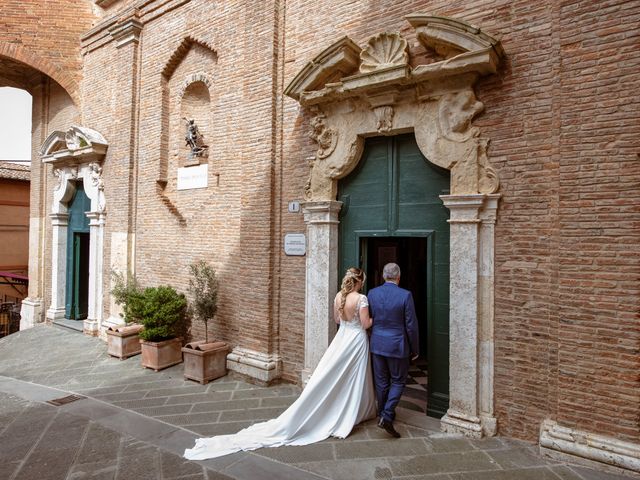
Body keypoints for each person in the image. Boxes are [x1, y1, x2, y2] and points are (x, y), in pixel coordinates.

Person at [184, 267, 376, 460]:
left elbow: (336, 319)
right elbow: (365, 323)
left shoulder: (338, 297)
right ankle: (353, 410)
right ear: (359, 281)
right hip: (355, 340)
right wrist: (376, 319)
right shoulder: (361, 299)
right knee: (354, 376)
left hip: (341, 339)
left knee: (335, 375)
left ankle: (342, 408)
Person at [367, 262, 419, 438]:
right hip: (397, 345)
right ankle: (387, 416)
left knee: (381, 382)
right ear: (399, 276)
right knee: (398, 381)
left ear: (383, 276)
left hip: (377, 343)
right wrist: (415, 348)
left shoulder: (372, 293)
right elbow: (411, 326)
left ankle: (382, 414)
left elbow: (371, 319)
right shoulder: (405, 295)